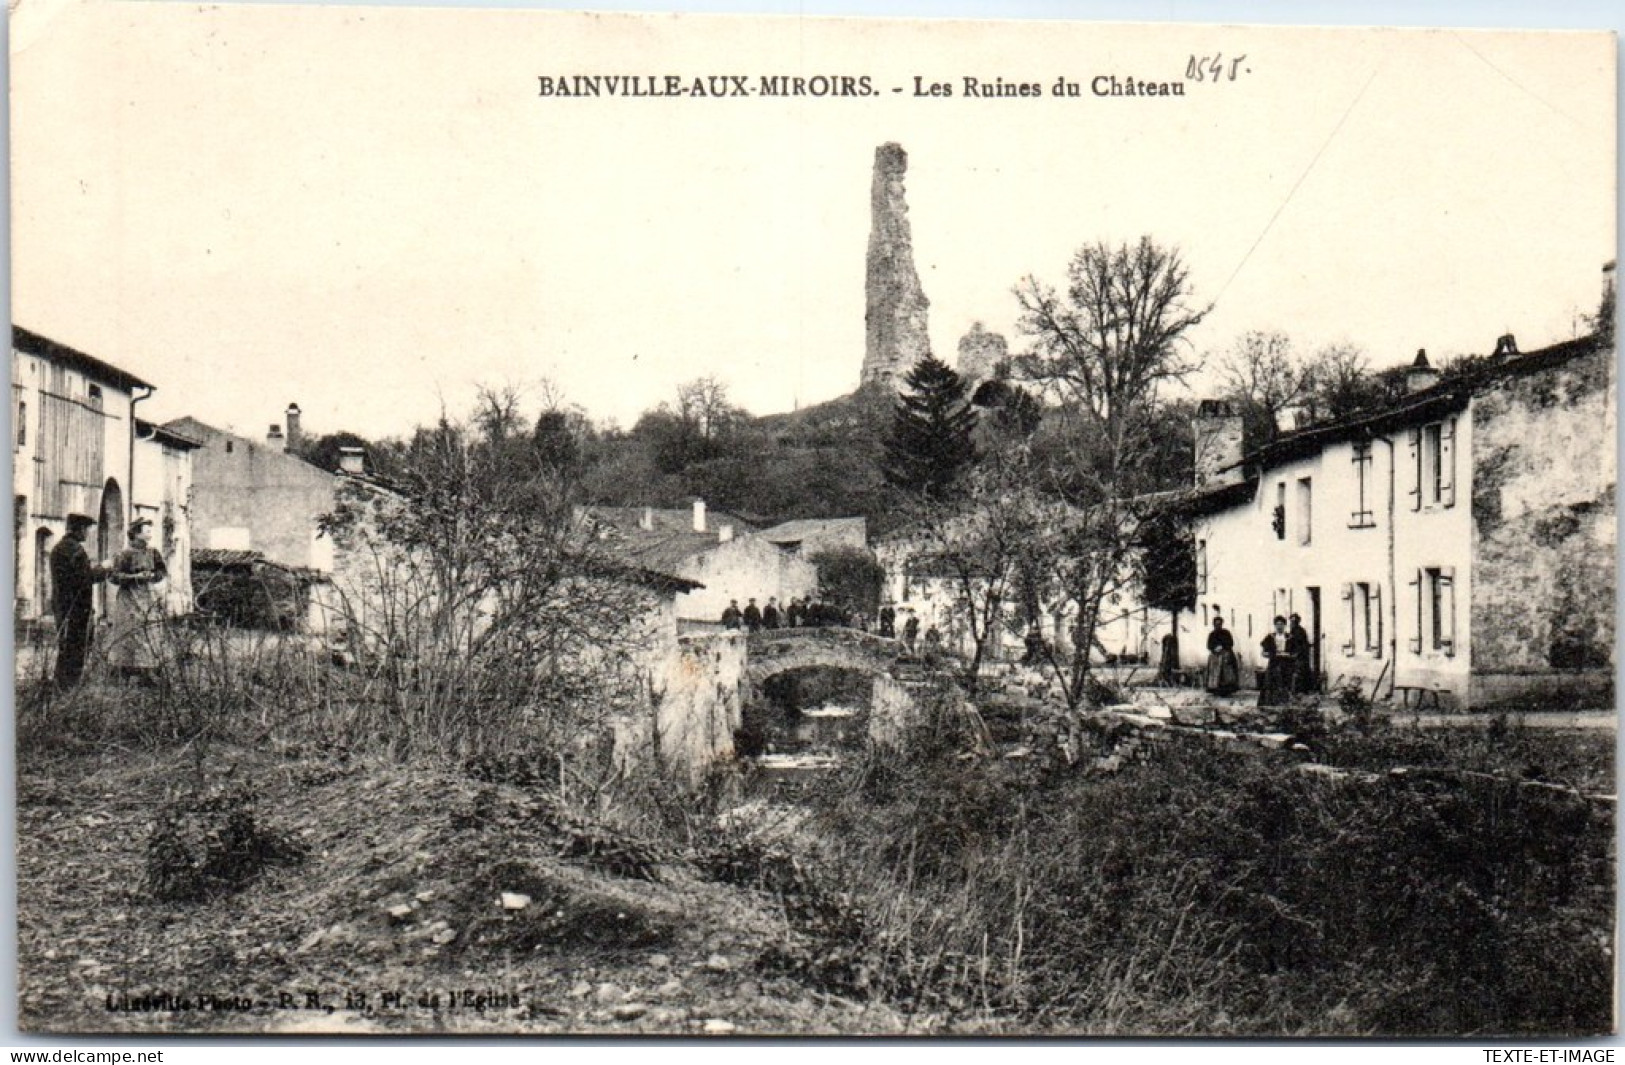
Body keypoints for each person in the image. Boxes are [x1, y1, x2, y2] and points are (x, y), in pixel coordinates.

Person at [49, 513, 108, 691]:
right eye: (86, 529)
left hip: (62, 605)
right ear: (79, 529)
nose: (88, 533)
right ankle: (69, 690)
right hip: (77, 608)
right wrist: (104, 569)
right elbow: (84, 579)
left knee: (66, 647)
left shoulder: (58, 548)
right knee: (77, 648)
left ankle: (61, 687)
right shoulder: (76, 551)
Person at [107, 518, 168, 680]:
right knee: (128, 632)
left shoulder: (153, 553)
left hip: (148, 596)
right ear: (136, 533)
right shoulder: (124, 554)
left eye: (150, 530)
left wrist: (154, 576)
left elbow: (162, 572)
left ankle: (148, 671)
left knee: (150, 630)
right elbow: (113, 576)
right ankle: (123, 671)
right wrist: (135, 577)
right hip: (129, 599)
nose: (150, 533)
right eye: (146, 530)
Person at [1258, 615, 1295, 708]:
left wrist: (1289, 655)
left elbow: (1295, 652)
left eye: (1281, 624)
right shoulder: (1270, 637)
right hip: (1274, 663)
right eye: (1277, 624)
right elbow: (1263, 652)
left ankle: (1284, 704)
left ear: (1285, 625)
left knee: (1285, 683)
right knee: (1271, 682)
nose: (1279, 626)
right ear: (1275, 625)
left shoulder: (1290, 637)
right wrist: (1270, 654)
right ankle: (1270, 703)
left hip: (1286, 663)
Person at [1205, 615, 1240, 696]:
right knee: (1214, 669)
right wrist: (1214, 649)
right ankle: (1215, 689)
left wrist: (1223, 647)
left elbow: (1231, 643)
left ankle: (1227, 689)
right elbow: (1209, 645)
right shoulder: (1212, 634)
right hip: (1215, 655)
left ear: (1222, 624)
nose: (1218, 626)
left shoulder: (1226, 633)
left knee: (1226, 671)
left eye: (1219, 624)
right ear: (1214, 625)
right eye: (1216, 624)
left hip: (1226, 654)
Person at [1288, 613, 1314, 694]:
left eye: (1294, 621)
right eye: (1291, 621)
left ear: (1297, 622)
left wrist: (1297, 653)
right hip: (1294, 655)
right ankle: (1295, 690)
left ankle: (1302, 690)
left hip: (1301, 655)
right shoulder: (1292, 630)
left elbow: (1302, 644)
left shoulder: (1300, 631)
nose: (1292, 623)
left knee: (1300, 672)